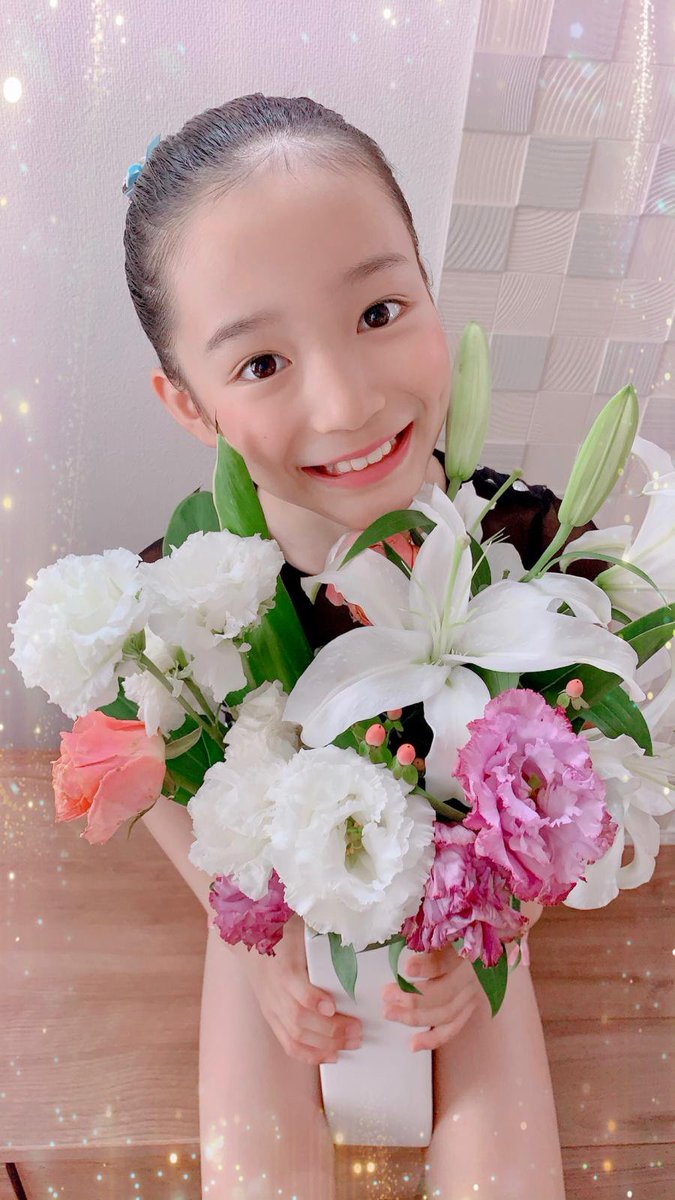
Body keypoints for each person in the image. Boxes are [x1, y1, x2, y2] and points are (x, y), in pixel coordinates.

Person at [124, 94, 600, 1200]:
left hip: (463, 904)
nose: (346, 402)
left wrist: (504, 922)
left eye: (380, 311)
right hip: (280, 909)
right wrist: (244, 932)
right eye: (261, 363)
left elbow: (576, 778)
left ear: (430, 286)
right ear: (186, 403)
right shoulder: (194, 594)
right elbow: (142, 769)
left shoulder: (519, 546)